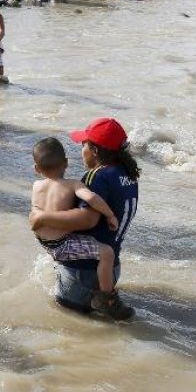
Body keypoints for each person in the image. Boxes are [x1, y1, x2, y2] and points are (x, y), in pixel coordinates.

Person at [29, 118, 139, 318]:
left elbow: (86, 219)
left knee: (70, 328)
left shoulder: (95, 177)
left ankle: (107, 302)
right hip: (109, 268)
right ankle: (109, 300)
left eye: (83, 144)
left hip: (83, 272)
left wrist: (42, 217)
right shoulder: (128, 174)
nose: (81, 149)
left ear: (94, 151)